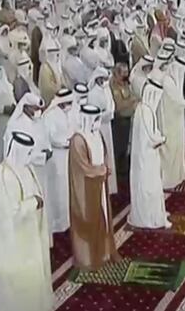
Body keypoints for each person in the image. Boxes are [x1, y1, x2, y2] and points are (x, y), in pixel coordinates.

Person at [0, 131, 54, 311]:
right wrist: (34, 203)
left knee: (33, 281)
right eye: (27, 153)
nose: (29, 157)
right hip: (12, 245)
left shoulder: (26, 168)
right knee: (17, 289)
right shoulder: (2, 177)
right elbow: (10, 213)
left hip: (31, 236)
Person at [68, 104, 121, 270]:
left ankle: (103, 252)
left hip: (99, 184)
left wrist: (104, 169)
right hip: (85, 188)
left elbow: (103, 154)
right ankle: (88, 258)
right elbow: (84, 166)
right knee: (88, 218)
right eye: (95, 119)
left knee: (103, 216)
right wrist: (102, 170)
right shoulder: (78, 139)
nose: (97, 122)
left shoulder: (96, 134)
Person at [129, 79, 171, 229]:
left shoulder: (145, 109)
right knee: (148, 188)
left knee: (152, 186)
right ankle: (149, 217)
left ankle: (155, 213)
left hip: (148, 157)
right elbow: (152, 138)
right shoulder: (145, 111)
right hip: (146, 158)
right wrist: (163, 139)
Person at [43, 88, 74, 234]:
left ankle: (68, 220)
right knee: (58, 189)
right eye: (66, 103)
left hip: (68, 155)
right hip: (57, 157)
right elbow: (52, 137)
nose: (69, 105)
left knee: (67, 188)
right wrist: (66, 142)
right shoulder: (51, 115)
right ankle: (58, 222)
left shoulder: (69, 111)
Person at [159, 52, 185, 189]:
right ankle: (170, 178)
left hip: (175, 120)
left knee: (177, 147)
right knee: (171, 149)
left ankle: (177, 174)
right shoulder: (168, 81)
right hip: (169, 122)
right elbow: (178, 101)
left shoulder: (171, 79)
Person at [87, 67, 119, 194]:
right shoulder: (93, 93)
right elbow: (95, 114)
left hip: (108, 126)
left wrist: (110, 112)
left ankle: (111, 187)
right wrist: (107, 113)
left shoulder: (106, 89)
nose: (106, 82)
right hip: (99, 127)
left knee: (109, 153)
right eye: (104, 79)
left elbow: (111, 104)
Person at [110, 62, 136, 182]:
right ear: (117, 74)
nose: (126, 76)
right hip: (119, 122)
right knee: (119, 148)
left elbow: (133, 96)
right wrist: (131, 101)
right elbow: (119, 106)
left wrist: (131, 100)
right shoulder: (114, 87)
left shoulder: (126, 84)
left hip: (128, 119)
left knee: (126, 148)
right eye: (124, 73)